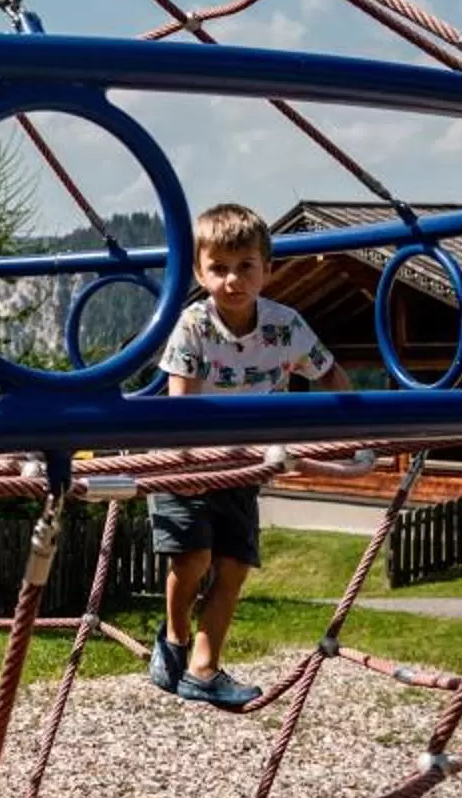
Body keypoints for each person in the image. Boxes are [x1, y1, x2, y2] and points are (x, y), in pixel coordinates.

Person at [148, 203, 350, 711]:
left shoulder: (286, 326)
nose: (232, 280)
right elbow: (182, 406)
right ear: (199, 271)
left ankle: (203, 667)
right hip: (186, 460)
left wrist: (349, 429)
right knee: (192, 557)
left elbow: (330, 375)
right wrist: (194, 462)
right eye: (218, 268)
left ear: (267, 269)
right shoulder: (193, 324)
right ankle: (173, 637)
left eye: (245, 267)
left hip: (241, 466)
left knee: (234, 566)